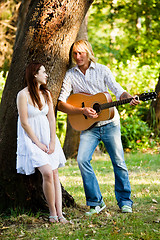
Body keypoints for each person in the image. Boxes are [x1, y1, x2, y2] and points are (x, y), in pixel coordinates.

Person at [58, 40, 140, 216]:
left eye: (81, 53)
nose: (77, 57)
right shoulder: (70, 75)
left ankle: (125, 201)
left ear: (88, 52)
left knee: (119, 162)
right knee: (82, 160)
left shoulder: (102, 70)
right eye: (74, 54)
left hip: (110, 124)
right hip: (89, 127)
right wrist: (82, 110)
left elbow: (118, 91)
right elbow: (60, 104)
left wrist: (129, 97)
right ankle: (96, 202)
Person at [16, 62, 68, 224]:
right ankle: (52, 213)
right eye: (43, 72)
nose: (46, 75)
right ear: (34, 74)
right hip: (31, 140)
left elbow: (52, 118)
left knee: (54, 173)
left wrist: (52, 141)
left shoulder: (46, 94)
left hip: (47, 137)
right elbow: (24, 122)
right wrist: (38, 143)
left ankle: (60, 214)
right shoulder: (22, 95)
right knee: (46, 172)